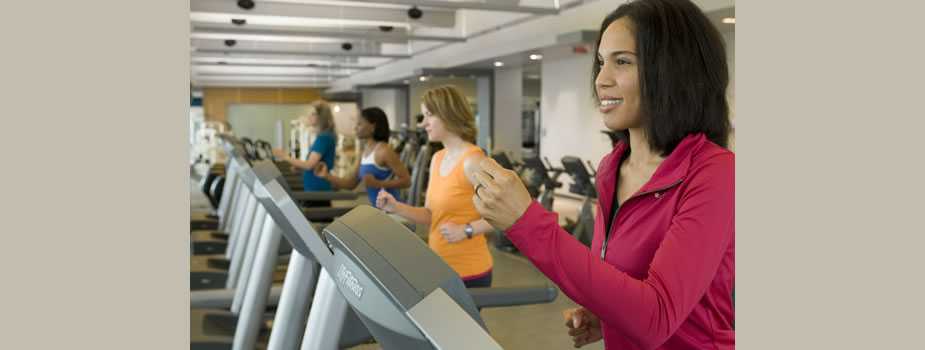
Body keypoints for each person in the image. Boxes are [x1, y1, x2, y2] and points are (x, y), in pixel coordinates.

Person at [467, 0, 734, 348]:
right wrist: (608, 315)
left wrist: (526, 221)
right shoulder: (612, 167)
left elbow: (656, 317)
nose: (601, 80)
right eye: (600, 62)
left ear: (673, 70)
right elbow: (628, 285)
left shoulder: (716, 173)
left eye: (622, 61)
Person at [375, 85, 494, 288]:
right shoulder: (438, 158)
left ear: (448, 114)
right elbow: (431, 216)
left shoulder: (473, 161)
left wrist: (467, 230)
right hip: (440, 268)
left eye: (429, 115)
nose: (423, 124)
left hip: (469, 272)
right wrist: (396, 207)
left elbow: (506, 216)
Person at [314, 107, 411, 205]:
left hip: (394, 209)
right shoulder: (363, 153)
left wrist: (378, 184)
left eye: (360, 124)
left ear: (373, 126)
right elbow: (351, 184)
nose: (355, 128)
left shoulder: (384, 151)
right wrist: (326, 175)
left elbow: (407, 181)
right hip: (379, 209)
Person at [273, 100, 338, 206]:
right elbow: (313, 165)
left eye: (313, 114)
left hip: (317, 191)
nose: (309, 116)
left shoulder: (324, 137)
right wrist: (300, 167)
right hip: (315, 190)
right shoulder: (324, 136)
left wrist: (285, 156)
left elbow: (309, 165)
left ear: (321, 117)